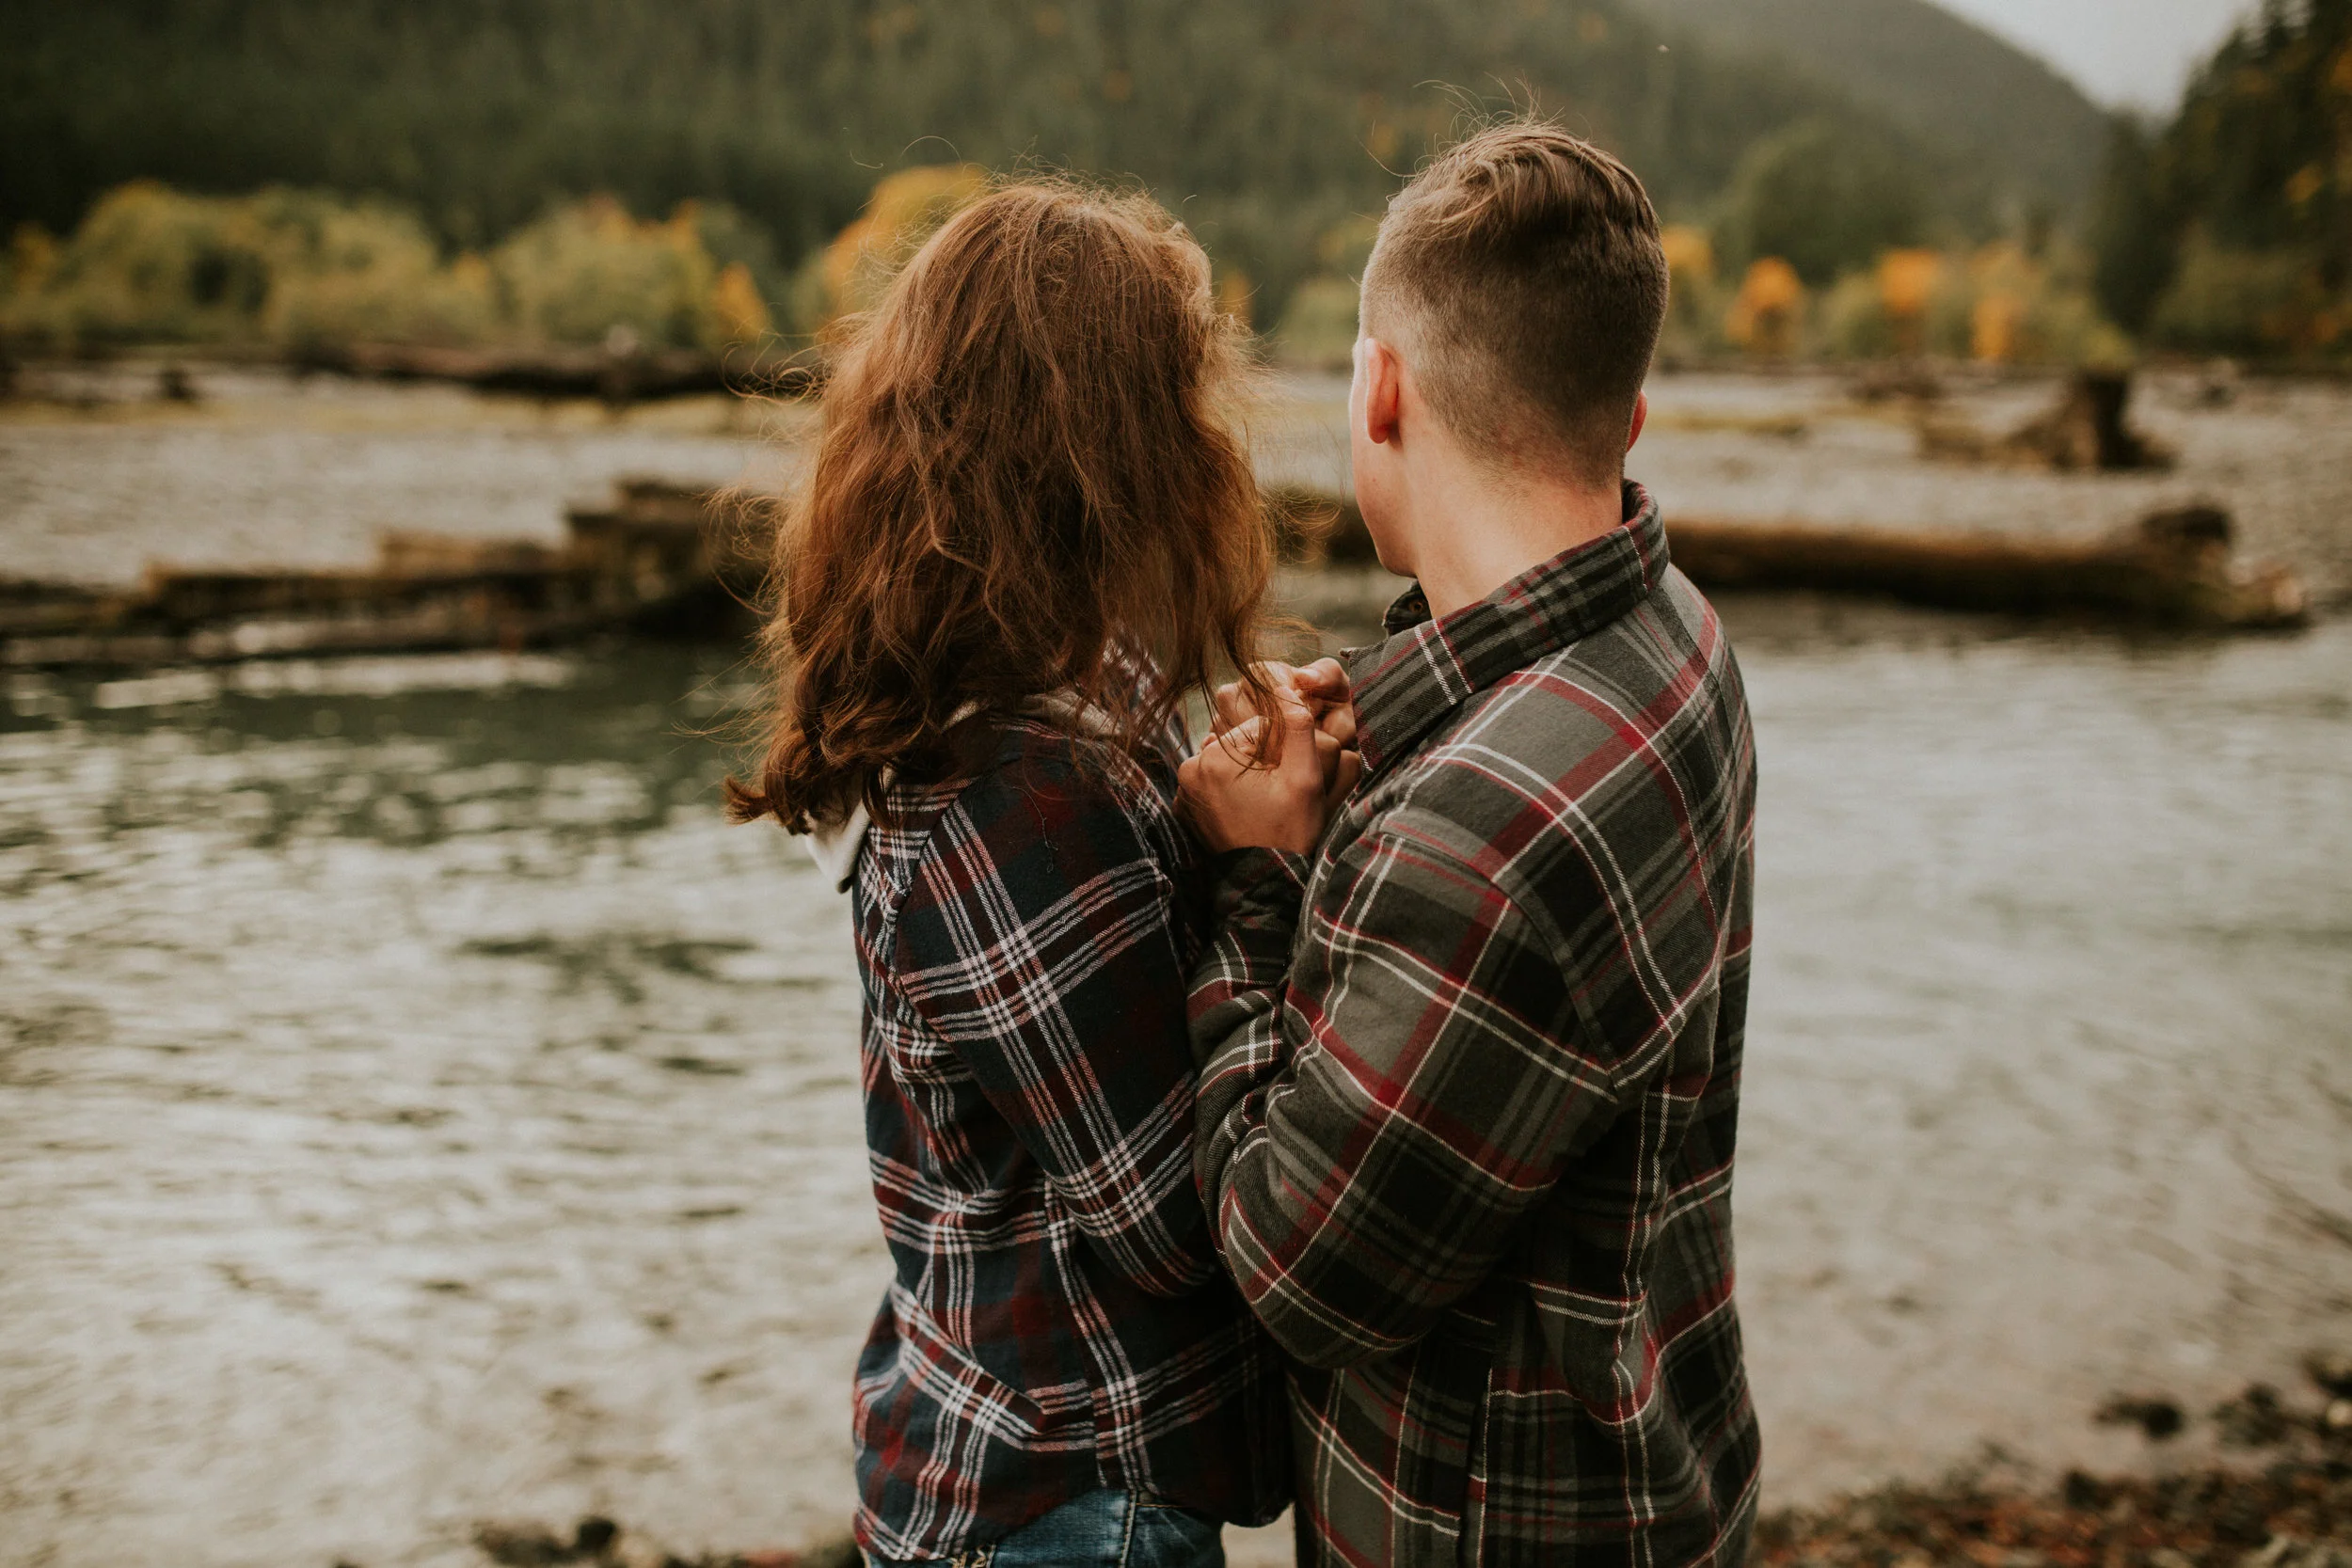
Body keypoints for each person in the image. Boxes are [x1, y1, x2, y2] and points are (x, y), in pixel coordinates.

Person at [1179, 123, 1763, 1568]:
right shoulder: (1680, 638)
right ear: (1625, 415)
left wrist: (1253, 877)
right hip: (1662, 1473)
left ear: (1382, 387)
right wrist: (1373, 736)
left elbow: (1290, 1264)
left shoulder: (1486, 833)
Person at [727, 184, 1302, 1568]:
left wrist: (1227, 784)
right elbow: (1178, 1220)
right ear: (1113, 445)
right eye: (1179, 401)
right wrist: (1259, 868)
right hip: (1070, 1508)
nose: (1209, 443)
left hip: (1015, 1464)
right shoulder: (1014, 787)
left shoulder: (1038, 702)